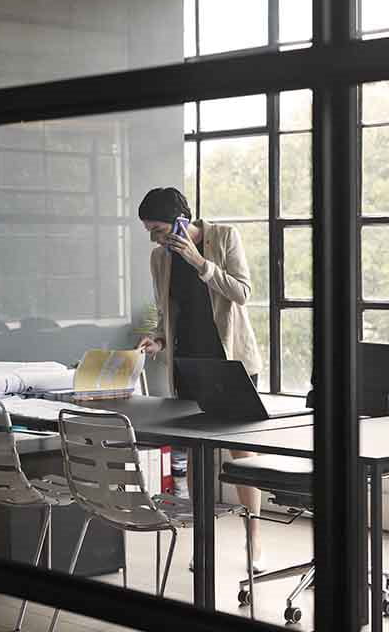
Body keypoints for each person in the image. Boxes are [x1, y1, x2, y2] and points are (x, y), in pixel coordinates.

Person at [135, 187, 266, 570]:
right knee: (193, 451)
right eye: (149, 230)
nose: (154, 237)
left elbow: (241, 293)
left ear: (181, 220)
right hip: (188, 364)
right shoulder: (160, 258)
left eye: (157, 228)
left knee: (241, 452)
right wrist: (158, 338)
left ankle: (253, 538)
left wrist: (198, 262)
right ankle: (201, 540)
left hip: (230, 363)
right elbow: (168, 311)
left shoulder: (224, 238)